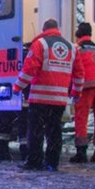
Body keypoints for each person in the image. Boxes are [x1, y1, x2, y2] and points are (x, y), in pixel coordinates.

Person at [13, 19, 76, 171]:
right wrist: (76, 92)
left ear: (44, 29)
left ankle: (35, 161)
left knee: (36, 130)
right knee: (54, 130)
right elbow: (78, 73)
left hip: (40, 97)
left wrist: (18, 87)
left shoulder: (40, 44)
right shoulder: (71, 47)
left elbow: (30, 70)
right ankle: (52, 162)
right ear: (57, 29)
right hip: (60, 99)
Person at [68, 22, 95, 164]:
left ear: (78, 34)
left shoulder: (77, 48)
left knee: (81, 118)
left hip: (87, 85)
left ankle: (81, 152)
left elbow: (74, 69)